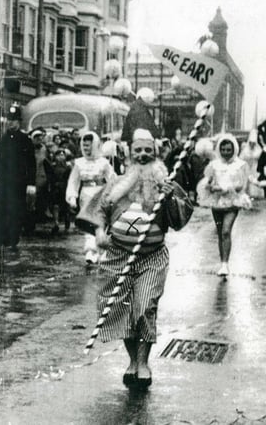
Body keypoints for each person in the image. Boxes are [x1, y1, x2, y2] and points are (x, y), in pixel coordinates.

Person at [76, 128, 194, 388]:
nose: (142, 156)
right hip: (118, 256)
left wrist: (171, 196)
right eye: (137, 151)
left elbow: (180, 219)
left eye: (147, 151)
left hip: (152, 258)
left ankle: (143, 363)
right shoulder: (117, 183)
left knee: (144, 308)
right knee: (120, 310)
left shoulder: (167, 183)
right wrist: (99, 232)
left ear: (156, 154)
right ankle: (132, 361)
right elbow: (98, 210)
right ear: (129, 154)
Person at [197, 134, 253, 276]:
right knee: (221, 231)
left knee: (226, 231)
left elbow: (241, 185)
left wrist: (226, 188)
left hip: (232, 202)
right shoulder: (214, 165)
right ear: (219, 150)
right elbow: (208, 181)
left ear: (234, 149)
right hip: (217, 202)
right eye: (223, 150)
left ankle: (226, 264)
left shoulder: (240, 165)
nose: (226, 152)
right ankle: (222, 263)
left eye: (229, 150)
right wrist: (209, 186)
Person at [0, 104, 35, 257]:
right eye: (9, 120)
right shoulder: (3, 139)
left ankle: (13, 240)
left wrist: (31, 183)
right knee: (2, 209)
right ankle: (1, 238)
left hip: (19, 182)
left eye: (14, 120)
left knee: (16, 210)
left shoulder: (25, 140)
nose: (11, 123)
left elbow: (31, 163)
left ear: (19, 122)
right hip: (4, 181)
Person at [66, 132, 115, 263]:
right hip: (86, 196)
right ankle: (90, 251)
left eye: (89, 146)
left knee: (101, 223)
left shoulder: (104, 162)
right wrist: (72, 196)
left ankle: (102, 250)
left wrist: (114, 193)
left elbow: (112, 179)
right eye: (84, 146)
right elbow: (73, 181)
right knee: (89, 223)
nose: (86, 148)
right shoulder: (79, 163)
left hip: (101, 195)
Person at [46, 149, 72, 234]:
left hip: (65, 187)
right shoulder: (53, 166)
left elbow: (71, 178)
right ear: (55, 157)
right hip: (55, 187)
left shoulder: (68, 167)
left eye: (62, 155)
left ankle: (67, 222)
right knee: (55, 205)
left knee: (66, 206)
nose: (61, 157)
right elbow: (50, 177)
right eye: (59, 155)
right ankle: (56, 223)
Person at [239, 129, 264, 199]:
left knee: (255, 180)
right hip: (247, 168)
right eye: (251, 142)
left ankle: (255, 195)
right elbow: (241, 159)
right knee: (246, 181)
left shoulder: (258, 150)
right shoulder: (245, 150)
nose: (252, 144)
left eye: (254, 143)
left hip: (255, 168)